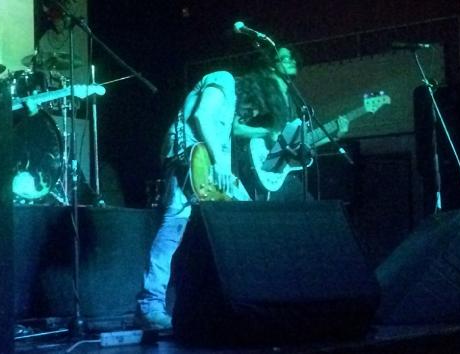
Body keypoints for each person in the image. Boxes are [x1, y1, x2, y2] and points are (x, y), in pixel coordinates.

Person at [136, 70, 251, 330]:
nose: (250, 113)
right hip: (189, 158)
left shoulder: (233, 105)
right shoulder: (224, 80)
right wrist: (220, 164)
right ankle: (149, 305)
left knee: (241, 222)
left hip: (205, 165)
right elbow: (202, 115)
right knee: (172, 228)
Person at [233, 45, 350, 202]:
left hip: (283, 173)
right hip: (258, 169)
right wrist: (268, 132)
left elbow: (300, 143)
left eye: (292, 58)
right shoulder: (260, 92)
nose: (292, 61)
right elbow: (236, 128)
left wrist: (335, 136)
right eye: (285, 58)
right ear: (272, 66)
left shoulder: (293, 101)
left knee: (313, 212)